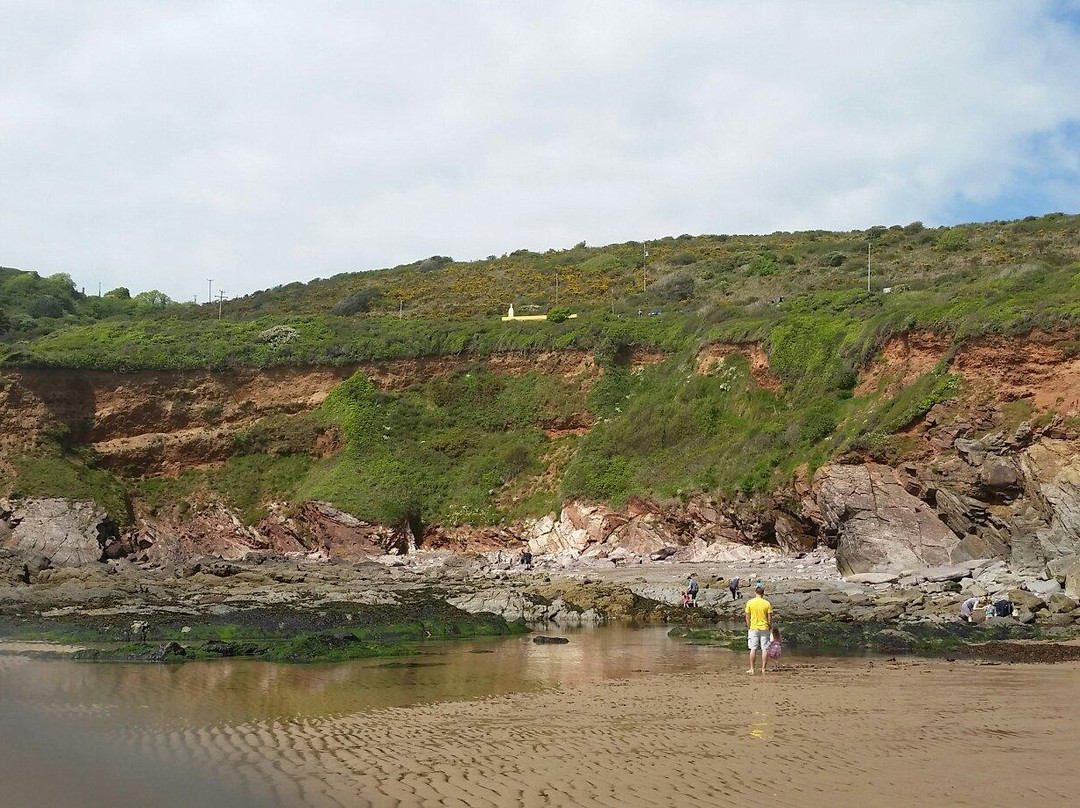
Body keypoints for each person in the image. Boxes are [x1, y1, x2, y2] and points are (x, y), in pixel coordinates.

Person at [745, 583, 772, 675]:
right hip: (764, 627)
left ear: (755, 592)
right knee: (765, 648)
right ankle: (763, 668)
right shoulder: (767, 603)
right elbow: (769, 618)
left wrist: (749, 627)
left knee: (753, 648)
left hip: (754, 628)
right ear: (763, 593)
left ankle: (752, 668)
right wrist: (769, 626)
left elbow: (747, 617)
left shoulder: (750, 602)